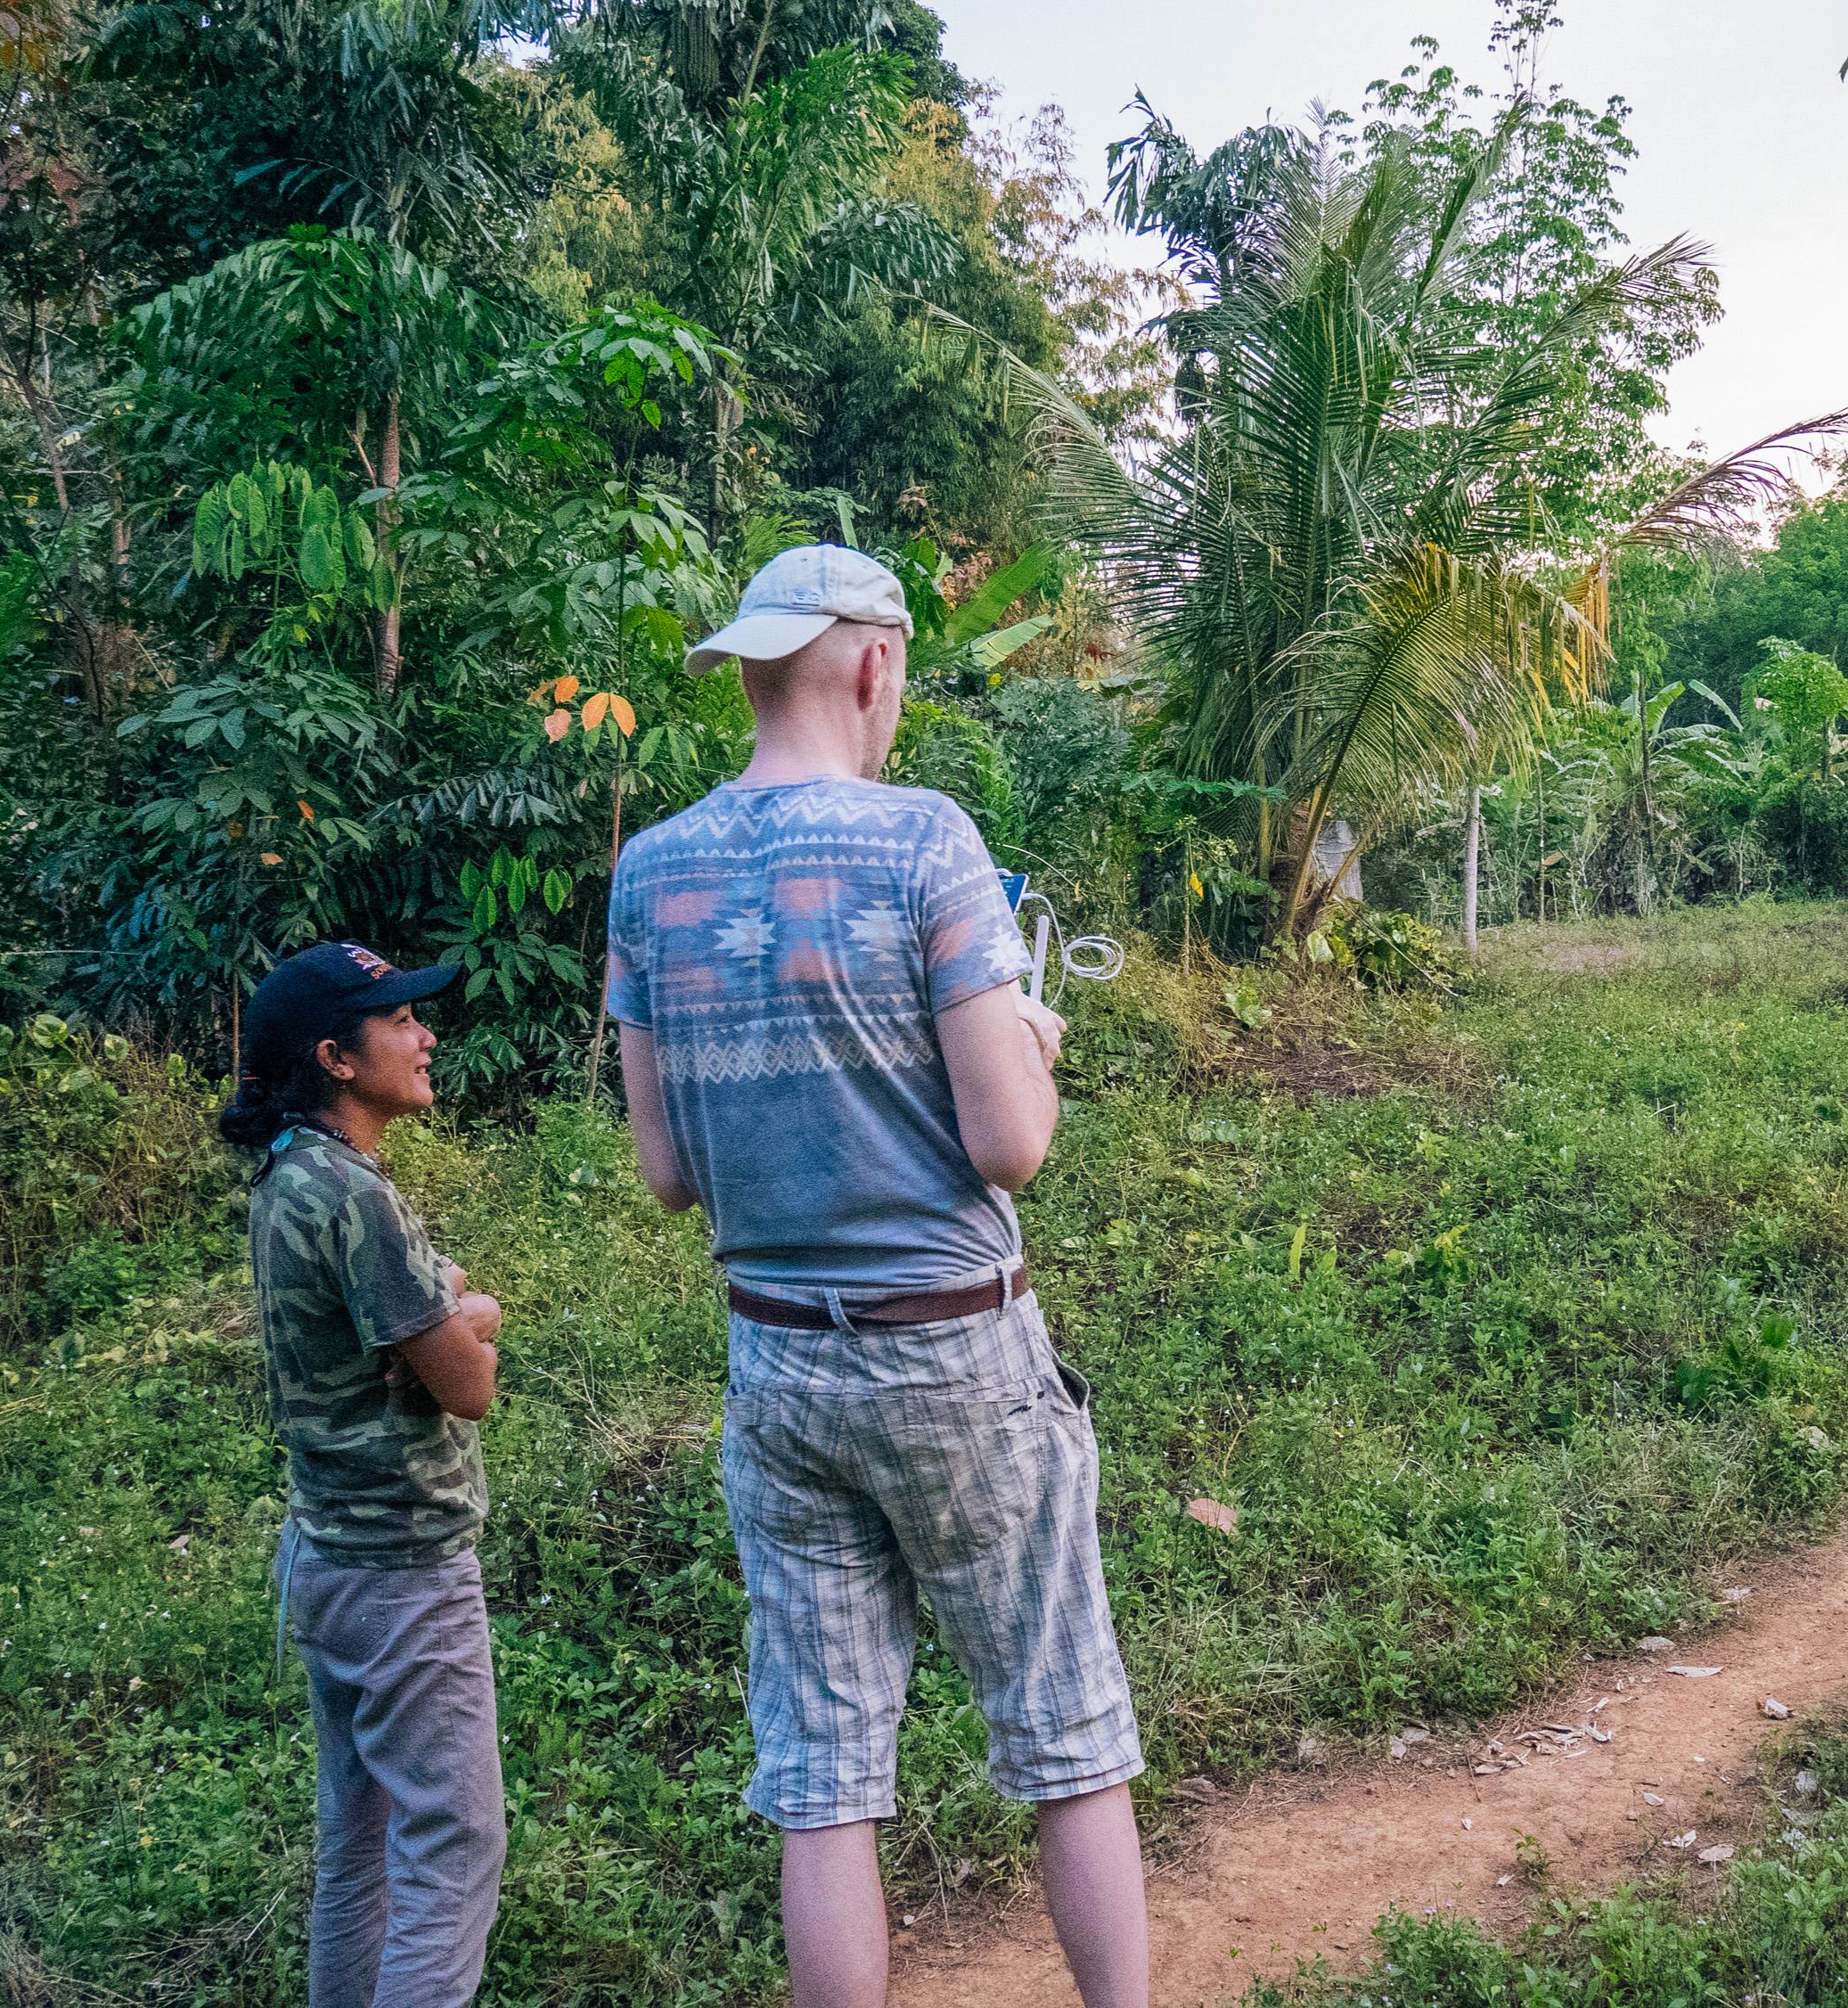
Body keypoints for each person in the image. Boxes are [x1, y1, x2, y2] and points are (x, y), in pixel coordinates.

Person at [607, 545, 1149, 2008]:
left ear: (756, 667)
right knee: (1065, 1728)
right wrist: (1032, 1046)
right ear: (872, 664)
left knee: (825, 1769)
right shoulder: (925, 843)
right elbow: (1010, 1146)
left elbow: (668, 1171)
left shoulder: (651, 874)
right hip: (958, 1360)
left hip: (777, 1365)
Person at [217, 944, 508, 2008]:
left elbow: (405, 1327)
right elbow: (465, 1383)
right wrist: (469, 1318)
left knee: (361, 1844)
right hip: (404, 1573)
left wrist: (440, 1315)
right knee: (455, 1849)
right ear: (337, 1058)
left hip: (326, 1557)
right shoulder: (355, 1197)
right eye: (399, 1022)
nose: (425, 1035)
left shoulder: (291, 1173)